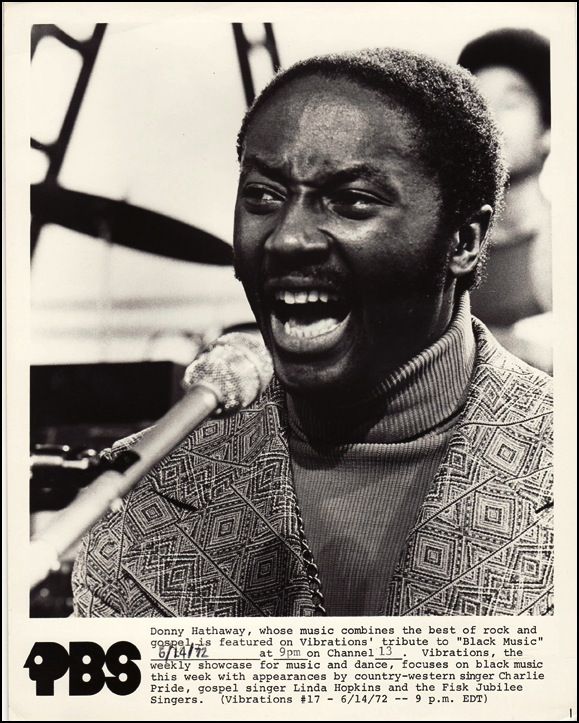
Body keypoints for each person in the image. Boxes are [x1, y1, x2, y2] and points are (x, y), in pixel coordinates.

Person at [73, 48, 553, 617]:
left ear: (463, 240)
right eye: (263, 197)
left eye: (351, 201)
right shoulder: (136, 488)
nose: (285, 239)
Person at [458, 29, 552, 370]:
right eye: (480, 103)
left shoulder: (558, 244)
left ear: (548, 130)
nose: (491, 117)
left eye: (511, 103)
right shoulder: (443, 245)